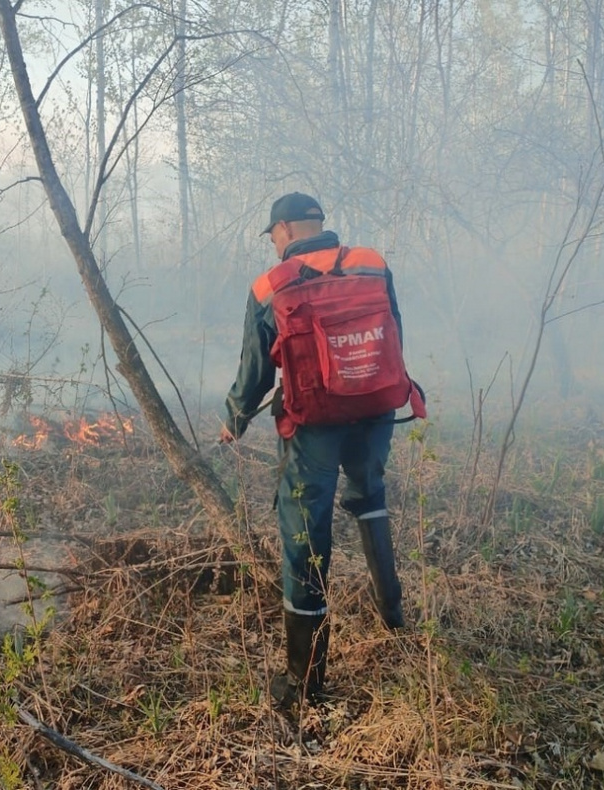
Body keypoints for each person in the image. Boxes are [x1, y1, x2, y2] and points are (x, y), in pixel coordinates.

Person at [219, 191, 420, 709]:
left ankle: (304, 681)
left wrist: (235, 419)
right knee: (369, 497)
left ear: (284, 230)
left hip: (315, 425)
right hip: (376, 406)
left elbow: (256, 371)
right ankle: (393, 618)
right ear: (320, 225)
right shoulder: (371, 263)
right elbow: (393, 332)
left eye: (273, 235)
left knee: (306, 535)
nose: (274, 243)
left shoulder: (270, 286)